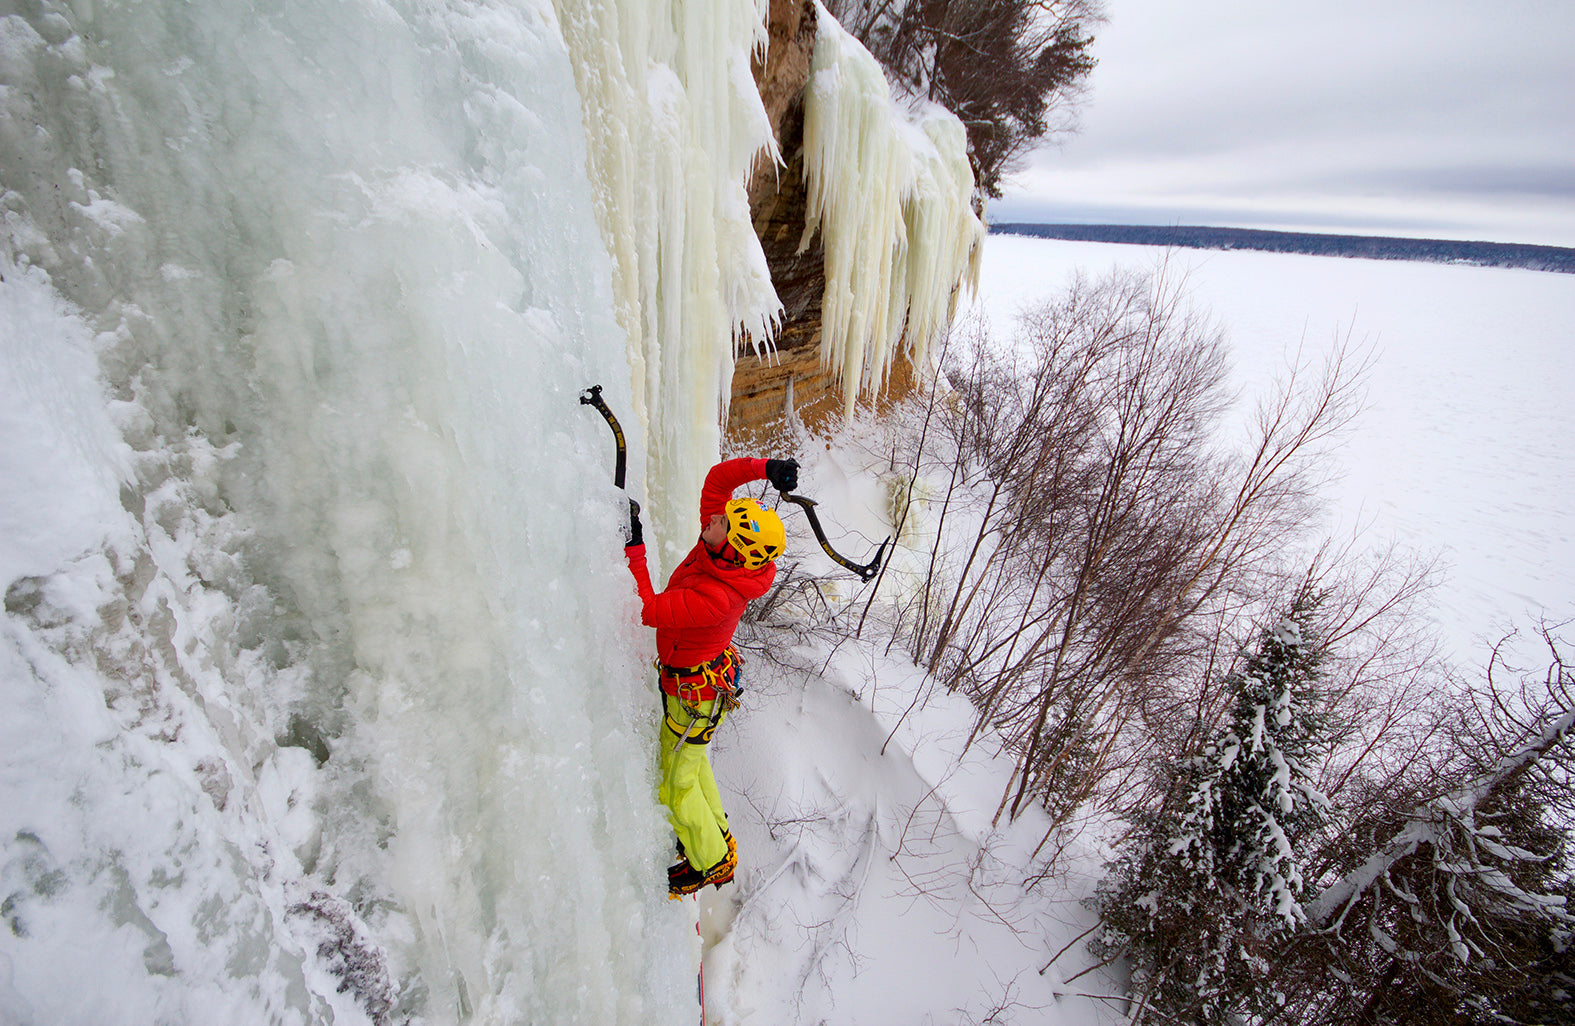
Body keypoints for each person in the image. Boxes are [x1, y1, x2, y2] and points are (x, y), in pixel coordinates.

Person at [624, 456, 799, 897]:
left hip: (692, 699)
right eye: (722, 516)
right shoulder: (722, 547)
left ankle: (710, 862)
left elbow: (647, 609)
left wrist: (634, 548)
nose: (713, 518)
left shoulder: (718, 595)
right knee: (694, 763)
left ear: (734, 545)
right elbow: (716, 482)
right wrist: (767, 467)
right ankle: (718, 838)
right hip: (703, 687)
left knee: (674, 786)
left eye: (722, 522)